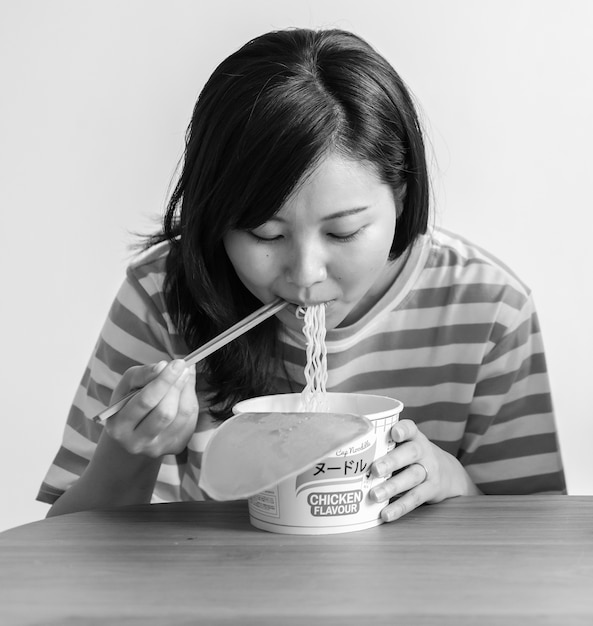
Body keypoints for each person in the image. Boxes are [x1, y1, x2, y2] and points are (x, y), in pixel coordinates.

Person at [39, 28, 566, 522]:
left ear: (401, 197)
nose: (306, 274)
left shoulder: (487, 308)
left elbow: (536, 544)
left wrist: (450, 479)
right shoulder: (163, 294)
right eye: (266, 236)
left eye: (342, 233)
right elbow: (64, 550)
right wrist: (129, 453)